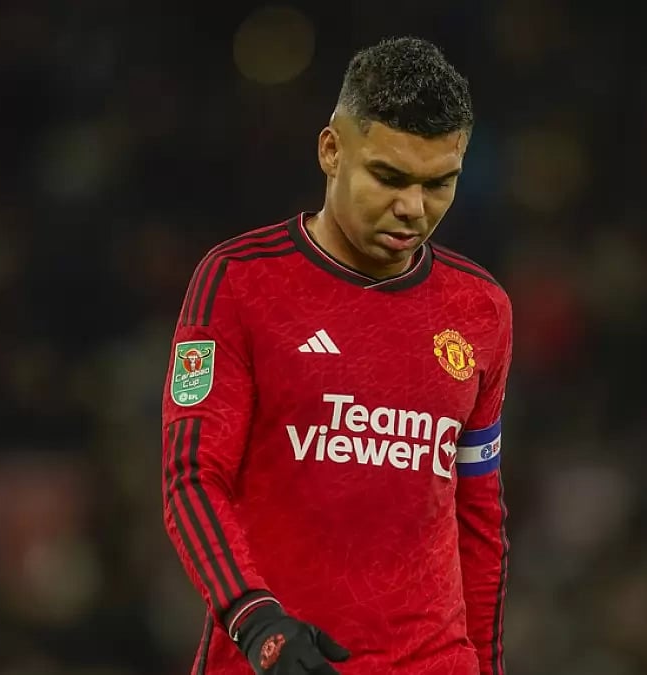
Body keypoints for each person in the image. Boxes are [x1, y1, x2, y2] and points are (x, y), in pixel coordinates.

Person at [161, 36, 512, 675]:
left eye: (440, 183)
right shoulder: (239, 283)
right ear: (331, 150)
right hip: (273, 657)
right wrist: (255, 619)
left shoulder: (481, 310)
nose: (413, 207)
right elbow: (192, 477)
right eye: (388, 176)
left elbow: (478, 517)